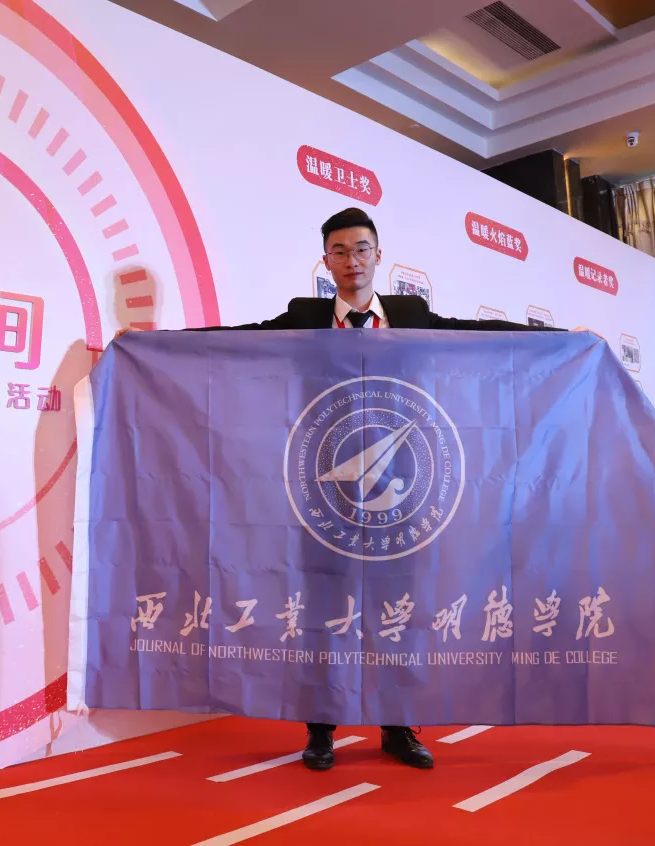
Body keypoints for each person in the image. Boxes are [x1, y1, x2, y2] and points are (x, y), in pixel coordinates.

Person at [118, 206, 568, 771]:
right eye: (339, 251)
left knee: (397, 612)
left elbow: (476, 336)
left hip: (401, 490)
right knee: (323, 613)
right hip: (322, 493)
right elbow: (234, 341)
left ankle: (398, 727)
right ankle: (321, 729)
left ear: (378, 255)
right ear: (325, 262)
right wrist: (154, 343)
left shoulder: (411, 315)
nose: (352, 261)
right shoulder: (305, 316)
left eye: (361, 249)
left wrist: (561, 339)